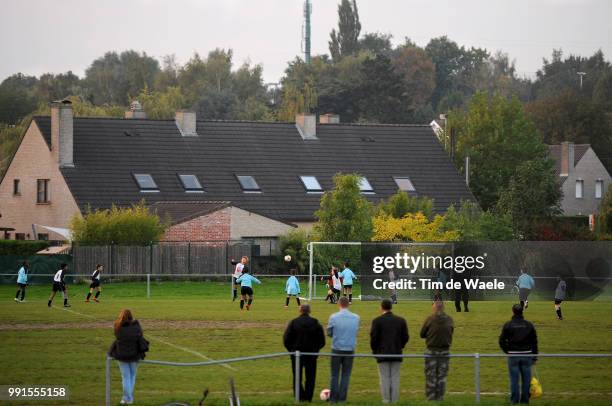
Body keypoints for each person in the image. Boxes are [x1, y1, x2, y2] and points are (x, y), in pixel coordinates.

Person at [283, 304, 326, 402]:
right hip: (311, 355)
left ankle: (299, 397)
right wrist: (316, 350)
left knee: (297, 376)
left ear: (300, 311)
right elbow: (322, 341)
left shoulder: (294, 322)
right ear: (309, 311)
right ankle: (308, 397)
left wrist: (291, 351)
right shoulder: (315, 323)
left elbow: (286, 339)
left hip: (296, 354)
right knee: (310, 377)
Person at [370, 299, 409, 403]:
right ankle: (394, 400)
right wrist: (400, 346)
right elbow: (406, 337)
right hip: (396, 353)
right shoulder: (400, 320)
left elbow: (373, 338)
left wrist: (375, 351)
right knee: (395, 378)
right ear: (391, 307)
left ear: (381, 307)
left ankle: (386, 400)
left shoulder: (377, 321)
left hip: (382, 354)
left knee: (384, 378)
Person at [499, 304, 538, 404]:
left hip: (513, 356)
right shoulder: (529, 325)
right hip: (527, 355)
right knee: (526, 380)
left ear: (513, 311)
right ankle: (525, 400)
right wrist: (534, 356)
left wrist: (507, 351)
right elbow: (534, 341)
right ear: (522, 311)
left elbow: (501, 341)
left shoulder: (508, 325)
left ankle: (514, 400)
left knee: (514, 380)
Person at [109, 309, 148, 405]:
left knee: (126, 377)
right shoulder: (136, 326)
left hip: (122, 355)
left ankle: (126, 398)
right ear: (131, 316)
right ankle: (128, 398)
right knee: (132, 376)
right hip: (135, 355)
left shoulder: (117, 326)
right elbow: (140, 336)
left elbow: (117, 336)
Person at [327, 297, 360, 403]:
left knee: (334, 375)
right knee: (346, 375)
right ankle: (342, 399)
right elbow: (355, 332)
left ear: (339, 304)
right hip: (349, 349)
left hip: (336, 348)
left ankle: (333, 399)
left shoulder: (333, 317)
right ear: (348, 304)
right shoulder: (356, 318)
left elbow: (329, 333)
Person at [420, 300, 454, 401]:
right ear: (443, 308)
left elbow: (422, 334)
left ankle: (431, 400)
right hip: (445, 351)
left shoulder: (429, 319)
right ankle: (440, 399)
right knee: (442, 377)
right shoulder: (449, 320)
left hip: (431, 351)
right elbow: (451, 331)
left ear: (434, 308)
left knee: (431, 377)